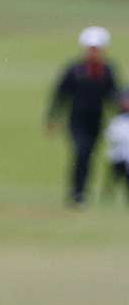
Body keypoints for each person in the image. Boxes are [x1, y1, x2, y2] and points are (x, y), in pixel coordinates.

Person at [45, 26, 119, 206]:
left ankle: (82, 193)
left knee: (89, 155)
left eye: (97, 49)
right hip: (76, 119)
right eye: (91, 48)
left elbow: (114, 96)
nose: (94, 52)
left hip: (97, 120)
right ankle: (77, 193)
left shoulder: (107, 70)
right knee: (81, 152)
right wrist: (53, 117)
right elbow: (60, 93)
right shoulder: (74, 69)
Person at [103, 91, 129, 204]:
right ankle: (108, 193)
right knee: (115, 176)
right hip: (119, 156)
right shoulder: (117, 121)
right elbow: (110, 136)